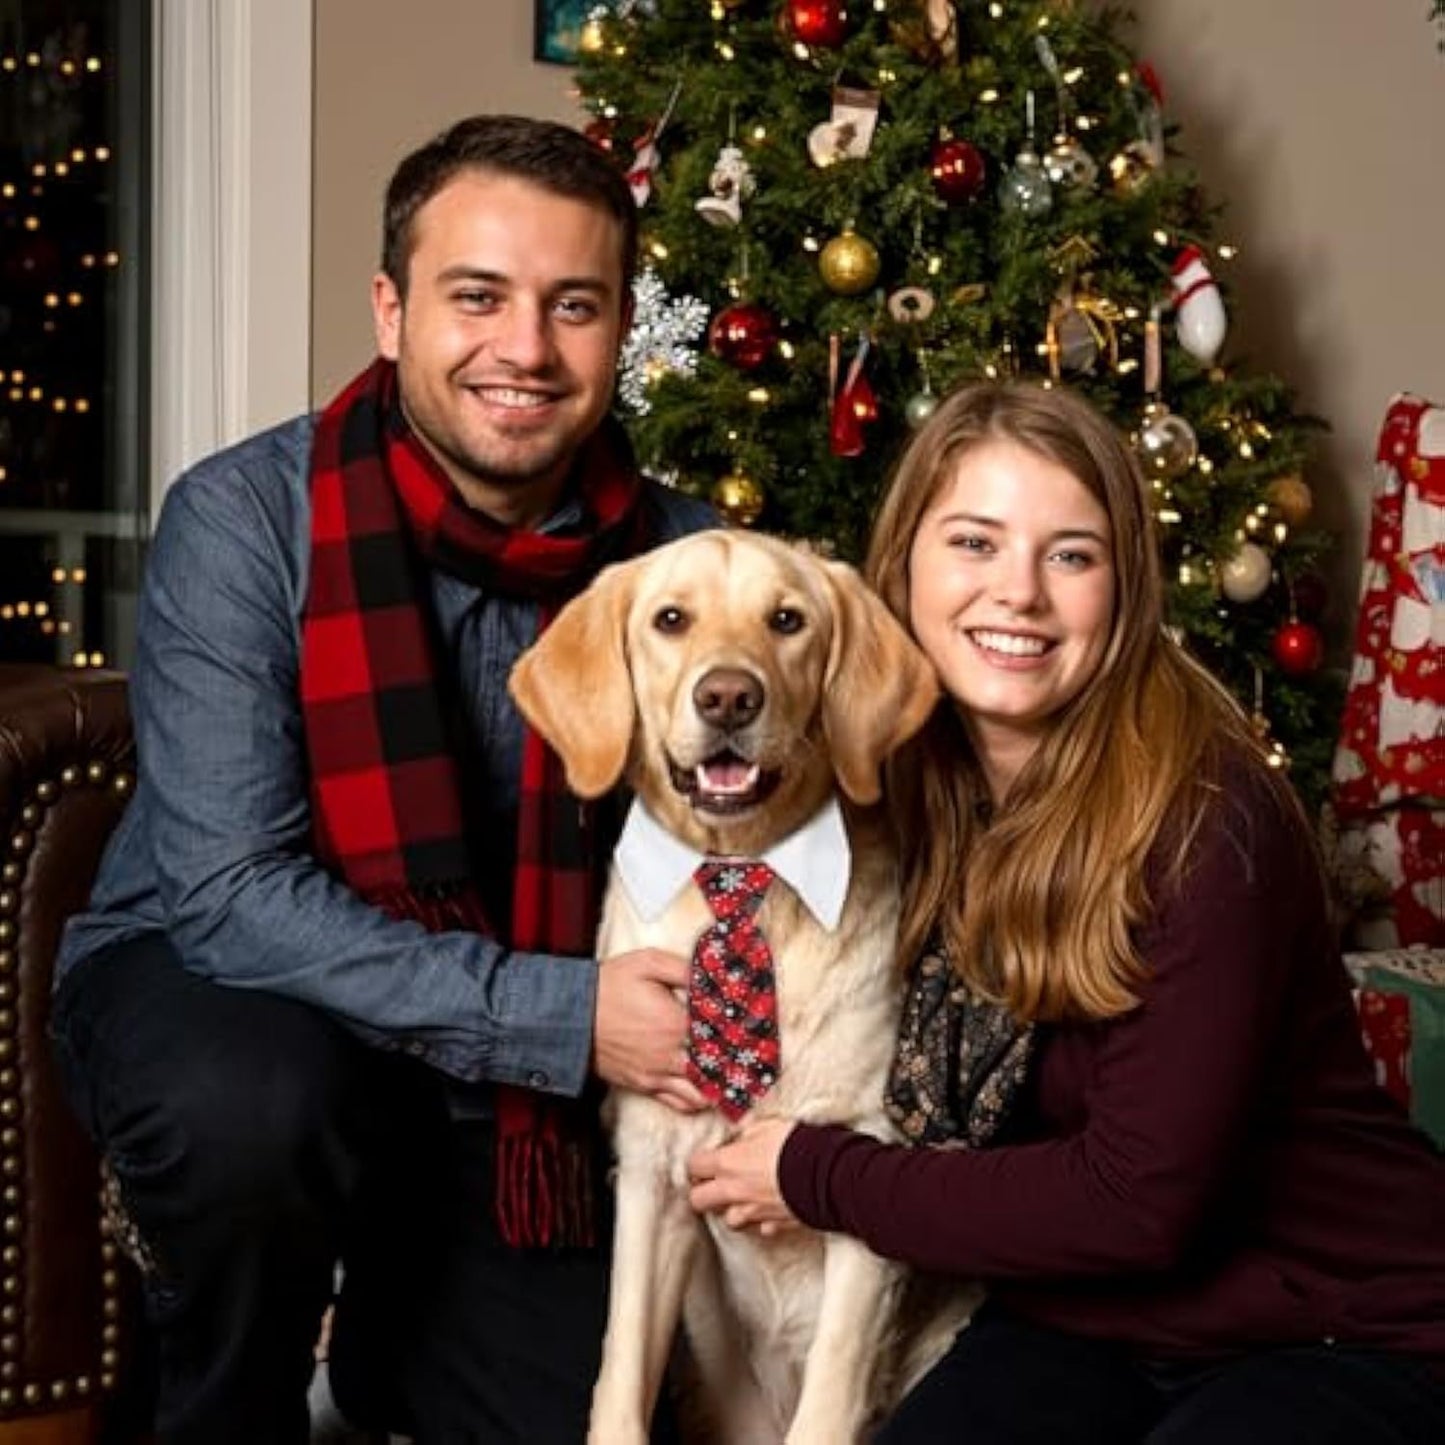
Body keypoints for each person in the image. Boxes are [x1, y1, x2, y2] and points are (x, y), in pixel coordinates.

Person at [49, 114, 714, 1445]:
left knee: (576, 1413)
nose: (523, 351)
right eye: (477, 296)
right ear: (392, 308)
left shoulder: (686, 565)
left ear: (618, 328)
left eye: (572, 306)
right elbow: (233, 897)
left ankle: (391, 1350)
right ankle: (224, 1411)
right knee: (255, 1106)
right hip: (224, 987)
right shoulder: (246, 518)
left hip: (509, 1092)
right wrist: (563, 1016)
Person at [688, 380, 1445, 1443]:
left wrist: (816, 1175)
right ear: (904, 559)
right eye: (973, 542)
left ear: (1122, 587)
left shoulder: (1205, 816)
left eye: (1069, 555)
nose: (1018, 594)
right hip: (1080, 1320)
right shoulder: (895, 784)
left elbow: (1133, 1200)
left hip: (1338, 1321)